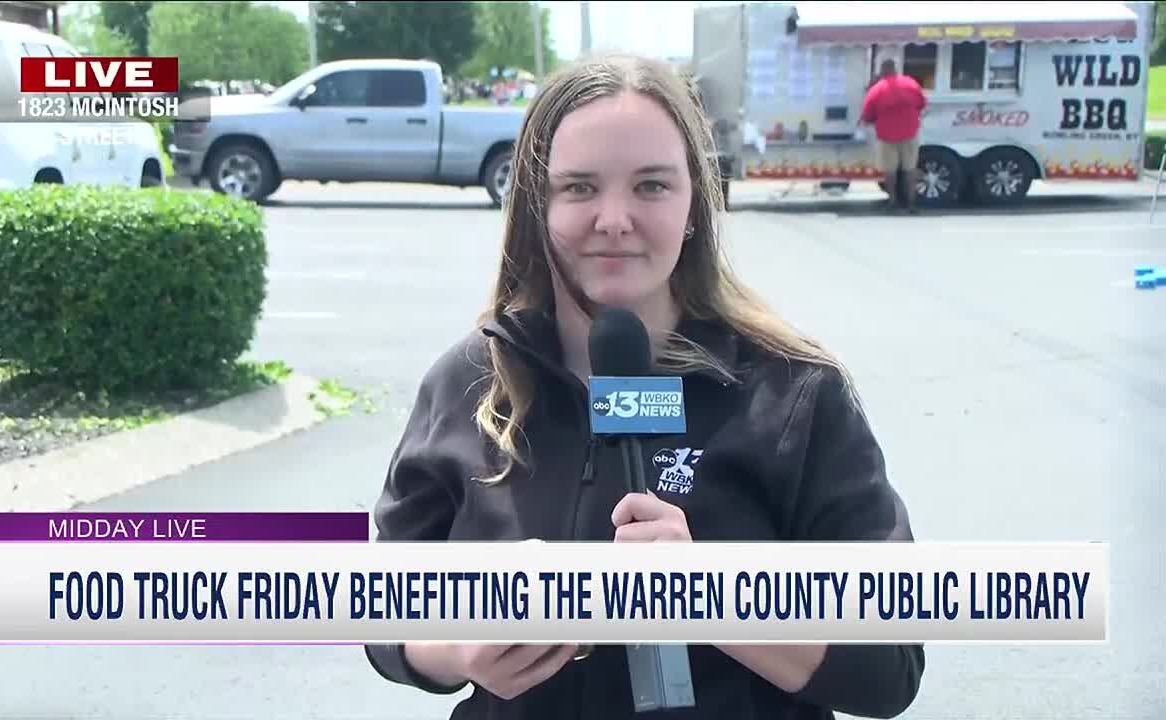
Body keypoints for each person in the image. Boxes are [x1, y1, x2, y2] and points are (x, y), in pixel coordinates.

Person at [364, 53, 924, 720]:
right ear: (537, 206)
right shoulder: (471, 382)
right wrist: (458, 645)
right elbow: (385, 610)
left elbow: (888, 667)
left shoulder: (795, 392)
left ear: (694, 204)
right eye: (579, 187)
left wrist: (712, 598)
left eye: (652, 186)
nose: (614, 219)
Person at [861, 59, 927, 213]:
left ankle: (893, 202)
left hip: (887, 136)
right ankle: (911, 203)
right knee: (910, 170)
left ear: (883, 71)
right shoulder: (911, 84)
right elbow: (922, 103)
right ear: (895, 69)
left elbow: (867, 115)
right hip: (910, 133)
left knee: (890, 171)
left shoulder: (877, 89)